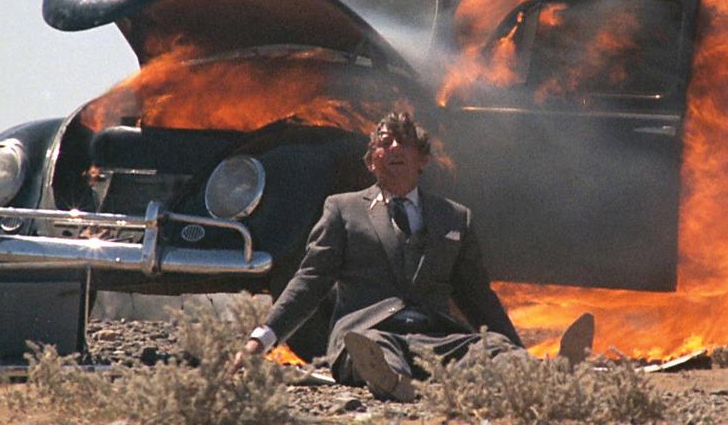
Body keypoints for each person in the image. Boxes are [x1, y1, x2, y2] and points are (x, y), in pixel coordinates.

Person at [236, 111, 593, 401]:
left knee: (491, 350)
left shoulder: (454, 217)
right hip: (369, 334)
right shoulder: (342, 210)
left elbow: (478, 297)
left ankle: (544, 374)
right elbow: (310, 281)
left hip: (437, 339)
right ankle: (394, 384)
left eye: (404, 141)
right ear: (371, 161)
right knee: (374, 352)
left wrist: (514, 348)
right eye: (384, 142)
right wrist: (261, 340)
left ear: (422, 159)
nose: (394, 147)